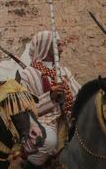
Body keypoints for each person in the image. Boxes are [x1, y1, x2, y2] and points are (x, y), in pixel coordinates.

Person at [18, 31, 81, 169]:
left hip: (68, 116)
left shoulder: (64, 71)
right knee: (48, 141)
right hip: (42, 119)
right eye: (58, 45)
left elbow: (78, 95)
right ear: (46, 47)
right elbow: (25, 109)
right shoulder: (26, 74)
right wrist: (50, 98)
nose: (62, 49)